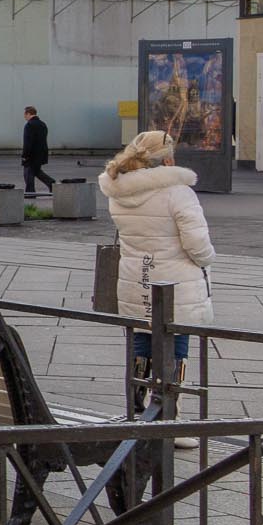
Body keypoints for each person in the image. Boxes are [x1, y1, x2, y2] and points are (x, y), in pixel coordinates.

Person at [100, 130, 211, 447]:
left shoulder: (118, 192)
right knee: (177, 349)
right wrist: (208, 259)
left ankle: (137, 409)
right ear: (169, 159)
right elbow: (197, 245)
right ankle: (168, 415)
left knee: (141, 344)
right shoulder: (178, 193)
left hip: (137, 279)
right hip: (175, 284)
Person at [22, 106, 54, 193]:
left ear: (28, 114)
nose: (24, 117)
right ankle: (51, 183)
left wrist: (25, 155)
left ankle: (30, 193)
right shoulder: (43, 124)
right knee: (36, 171)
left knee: (28, 173)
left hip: (31, 154)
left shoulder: (29, 125)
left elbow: (28, 142)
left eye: (25, 114)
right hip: (41, 154)